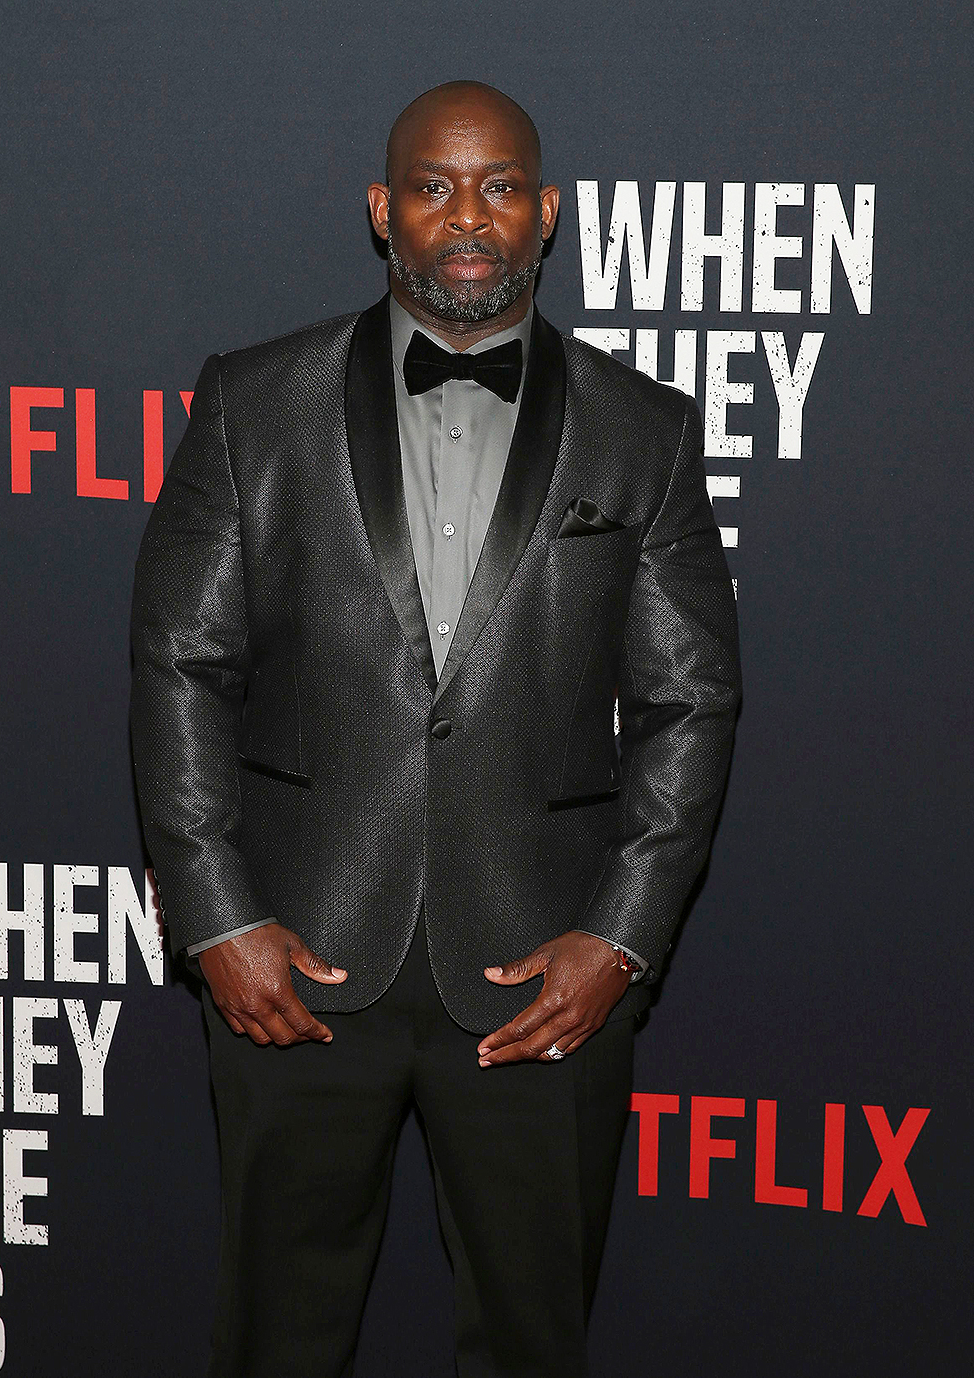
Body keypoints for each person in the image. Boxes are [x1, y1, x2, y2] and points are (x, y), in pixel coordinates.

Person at [130, 79, 741, 1378]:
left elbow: (690, 701)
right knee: (274, 1340)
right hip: (294, 965)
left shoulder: (646, 432)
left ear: (548, 213)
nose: (469, 216)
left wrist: (622, 939)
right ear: (381, 209)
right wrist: (218, 915)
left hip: (541, 981)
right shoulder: (254, 401)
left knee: (533, 1342)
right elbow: (183, 661)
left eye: (501, 186)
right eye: (435, 185)